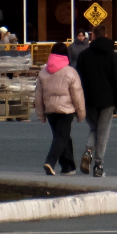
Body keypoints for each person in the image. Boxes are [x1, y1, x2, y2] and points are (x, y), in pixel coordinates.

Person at [75, 30, 117, 177]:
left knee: (94, 128)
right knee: (103, 131)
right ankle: (98, 165)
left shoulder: (84, 55)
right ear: (107, 35)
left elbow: (78, 79)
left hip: (89, 98)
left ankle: (88, 150)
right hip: (108, 100)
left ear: (93, 36)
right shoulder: (112, 55)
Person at [32, 42, 85, 175]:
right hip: (66, 110)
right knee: (61, 137)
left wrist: (41, 114)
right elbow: (77, 95)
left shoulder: (43, 72)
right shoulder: (70, 72)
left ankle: (68, 167)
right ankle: (50, 162)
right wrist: (81, 113)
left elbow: (38, 96)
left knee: (61, 136)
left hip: (50, 110)